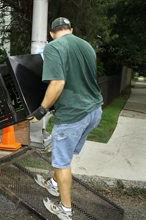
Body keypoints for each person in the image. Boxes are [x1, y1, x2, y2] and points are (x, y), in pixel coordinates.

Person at [28, 17, 103, 220]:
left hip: (73, 115)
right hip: (94, 110)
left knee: (62, 162)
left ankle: (65, 209)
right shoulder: (87, 46)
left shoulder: (53, 47)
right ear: (71, 29)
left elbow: (58, 83)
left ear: (51, 33)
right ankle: (53, 184)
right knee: (66, 153)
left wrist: (42, 109)